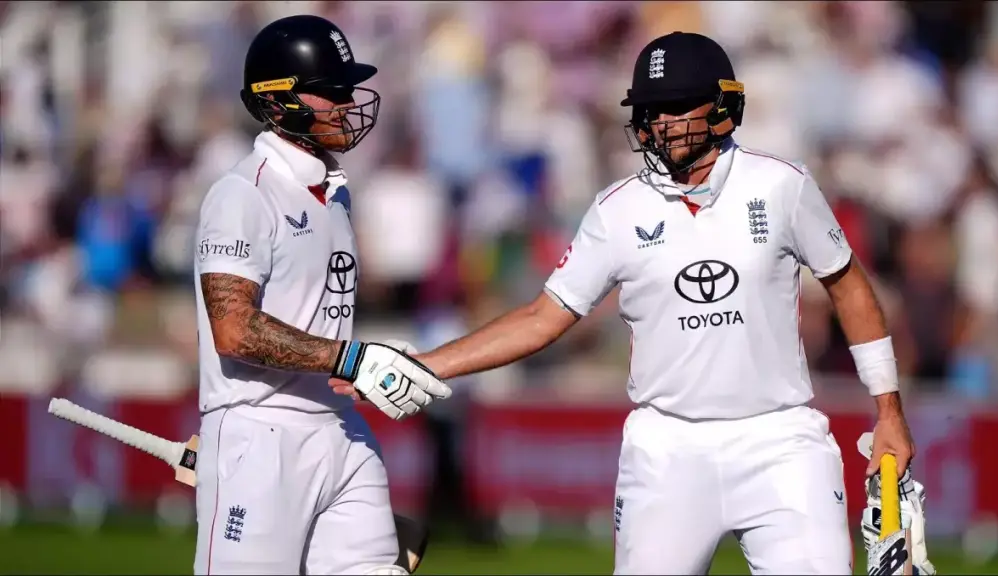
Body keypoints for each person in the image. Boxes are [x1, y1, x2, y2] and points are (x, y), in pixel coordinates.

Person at [334, 32, 928, 574]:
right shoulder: (617, 209)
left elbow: (848, 284)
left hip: (781, 439)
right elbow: (543, 318)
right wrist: (425, 364)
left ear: (723, 107)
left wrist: (889, 411)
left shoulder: (782, 186)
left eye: (677, 107)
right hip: (666, 450)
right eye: (651, 111)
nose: (661, 124)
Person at [192, 14, 450, 576]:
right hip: (259, 432)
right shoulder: (242, 194)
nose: (347, 103)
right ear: (277, 100)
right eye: (331, 91)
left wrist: (372, 357)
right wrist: (353, 359)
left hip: (341, 431)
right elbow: (233, 329)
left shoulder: (334, 193)